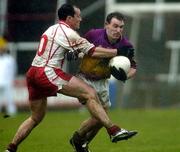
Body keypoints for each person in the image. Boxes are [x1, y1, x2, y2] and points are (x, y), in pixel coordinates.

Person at [5, 4, 137, 152]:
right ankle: (113, 130)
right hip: (48, 72)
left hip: (33, 72)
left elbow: (73, 50)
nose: (80, 19)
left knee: (36, 117)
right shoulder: (70, 33)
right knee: (90, 93)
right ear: (69, 18)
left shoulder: (52, 28)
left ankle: (10, 148)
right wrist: (117, 51)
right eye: (78, 16)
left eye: (121, 27)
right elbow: (92, 51)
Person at [68, 12, 137, 152]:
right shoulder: (93, 35)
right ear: (106, 25)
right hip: (84, 79)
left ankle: (81, 141)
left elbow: (134, 67)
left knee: (100, 119)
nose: (118, 30)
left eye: (121, 27)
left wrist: (125, 76)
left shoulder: (126, 45)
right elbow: (79, 46)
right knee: (99, 116)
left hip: (103, 82)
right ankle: (80, 140)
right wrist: (74, 52)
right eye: (115, 26)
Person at [0, 37, 17, 117]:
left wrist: (11, 80)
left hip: (7, 81)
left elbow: (14, 70)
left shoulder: (10, 59)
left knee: (9, 98)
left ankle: (12, 112)